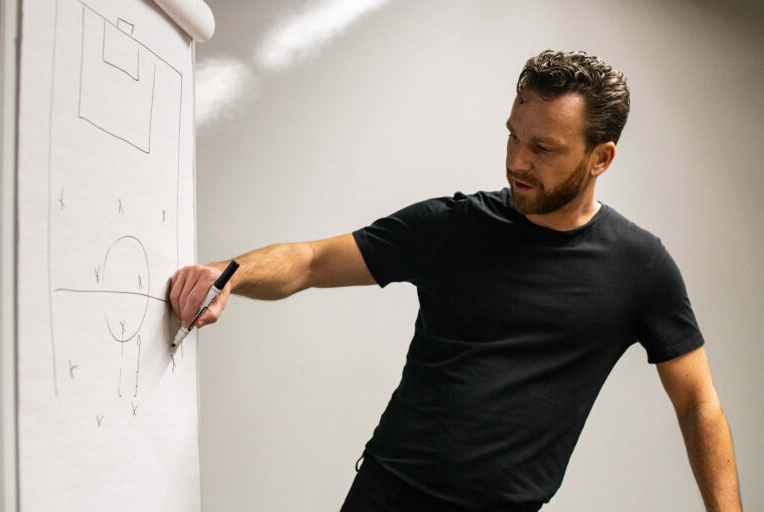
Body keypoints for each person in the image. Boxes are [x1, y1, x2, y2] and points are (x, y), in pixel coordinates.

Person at [168, 50, 742, 511]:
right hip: (387, 494)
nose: (518, 161)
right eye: (513, 136)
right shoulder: (451, 225)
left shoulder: (640, 266)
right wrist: (228, 274)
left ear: (601, 158)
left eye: (543, 148)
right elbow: (313, 260)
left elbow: (698, 402)